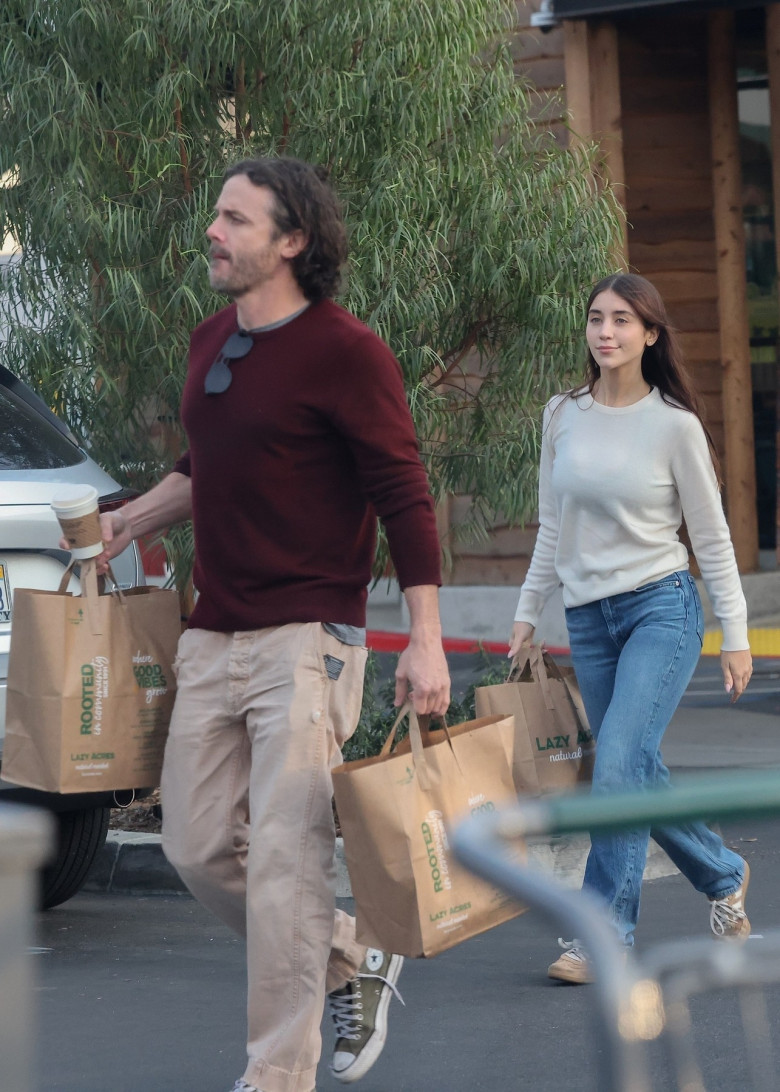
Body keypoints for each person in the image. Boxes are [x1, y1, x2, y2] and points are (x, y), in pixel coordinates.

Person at [92, 156, 451, 1090]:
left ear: (292, 241)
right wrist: (127, 521)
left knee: (289, 862)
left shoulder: (346, 351)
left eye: (236, 220)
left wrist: (424, 637)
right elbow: (204, 463)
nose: (213, 232)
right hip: (214, 633)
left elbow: (404, 496)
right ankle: (349, 954)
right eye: (218, 216)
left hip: (308, 640)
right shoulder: (213, 340)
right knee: (197, 846)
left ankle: (275, 1076)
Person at [508, 273, 753, 985]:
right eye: (595, 319)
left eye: (621, 320)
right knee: (635, 770)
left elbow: (711, 538)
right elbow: (554, 525)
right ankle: (723, 871)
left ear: (650, 334)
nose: (605, 331)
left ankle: (602, 935)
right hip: (590, 618)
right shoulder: (562, 414)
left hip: (661, 609)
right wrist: (527, 613)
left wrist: (733, 632)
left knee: (616, 761)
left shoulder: (673, 425)